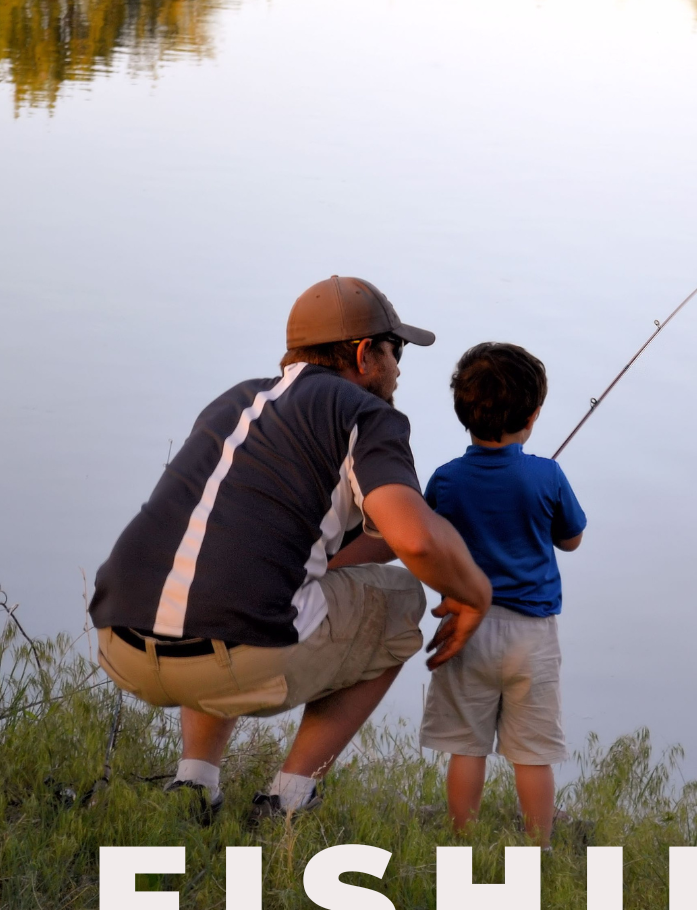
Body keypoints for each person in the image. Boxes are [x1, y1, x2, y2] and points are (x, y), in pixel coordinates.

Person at [89, 276, 492, 823]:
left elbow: (347, 541)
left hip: (123, 644)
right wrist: (474, 594)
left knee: (213, 573)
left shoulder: (234, 401)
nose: (399, 367)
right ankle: (289, 797)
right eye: (395, 351)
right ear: (363, 355)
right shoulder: (367, 415)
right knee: (401, 601)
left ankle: (194, 784)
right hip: (234, 663)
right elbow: (415, 539)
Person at [418, 343, 587, 847]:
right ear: (533, 416)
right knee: (532, 753)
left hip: (465, 629)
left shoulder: (446, 480)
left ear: (462, 412)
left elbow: (431, 544)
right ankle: (540, 846)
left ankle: (461, 840)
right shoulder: (547, 474)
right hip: (531, 636)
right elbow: (572, 539)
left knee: (466, 747)